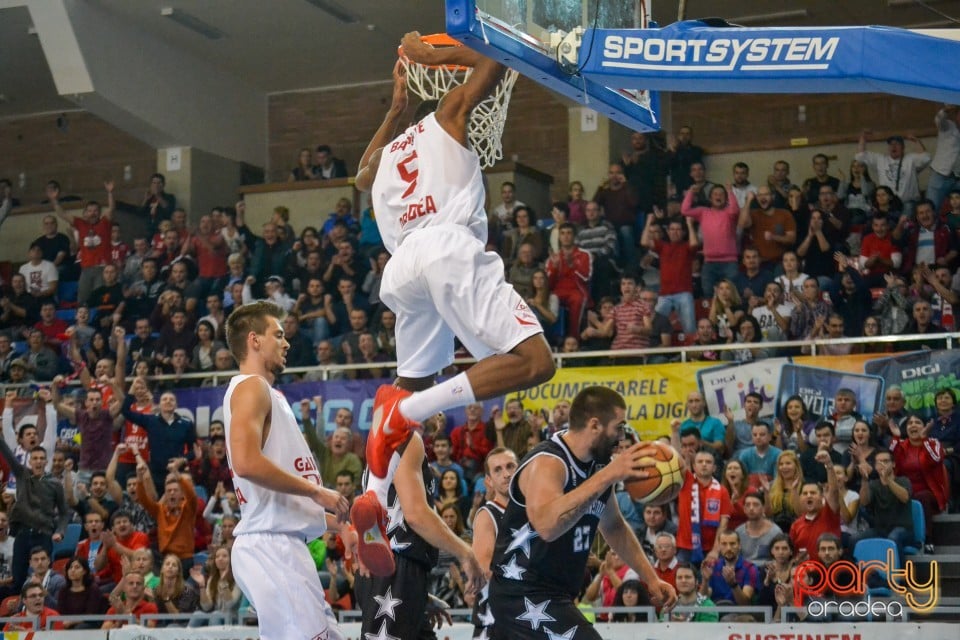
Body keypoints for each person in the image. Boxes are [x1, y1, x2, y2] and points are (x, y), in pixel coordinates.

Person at [351, 34, 555, 574]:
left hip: (402, 272)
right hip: (446, 247)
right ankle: (404, 410)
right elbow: (496, 58)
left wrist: (395, 108)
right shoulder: (449, 112)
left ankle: (372, 489)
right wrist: (436, 55)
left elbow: (360, 176)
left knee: (414, 381)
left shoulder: (387, 154)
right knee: (537, 363)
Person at [487, 386, 676, 639]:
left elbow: (614, 527)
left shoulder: (598, 465)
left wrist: (650, 579)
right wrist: (608, 475)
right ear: (595, 425)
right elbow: (546, 526)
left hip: (556, 594)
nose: (621, 436)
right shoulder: (548, 462)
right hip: (521, 593)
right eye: (618, 427)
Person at [222, 300, 350, 640]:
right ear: (254, 340)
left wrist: (337, 524)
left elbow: (275, 497)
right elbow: (247, 463)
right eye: (278, 334)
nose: (287, 341)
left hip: (286, 544)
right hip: (269, 545)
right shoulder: (251, 387)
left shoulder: (272, 395)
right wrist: (317, 492)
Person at [0, 435, 66, 592]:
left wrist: (60, 532)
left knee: (42, 580)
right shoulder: (22, 474)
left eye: (41, 458)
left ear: (46, 461)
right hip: (22, 535)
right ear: (29, 461)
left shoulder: (55, 484)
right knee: (17, 580)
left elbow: (64, 513)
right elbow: (7, 453)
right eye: (34, 458)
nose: (38, 461)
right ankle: (18, 613)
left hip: (43, 535)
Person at [470, 447, 518, 639]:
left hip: (524, 617)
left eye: (510, 466)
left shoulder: (532, 513)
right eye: (498, 470)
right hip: (495, 621)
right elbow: (484, 570)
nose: (506, 474)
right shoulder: (487, 515)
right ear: (488, 481)